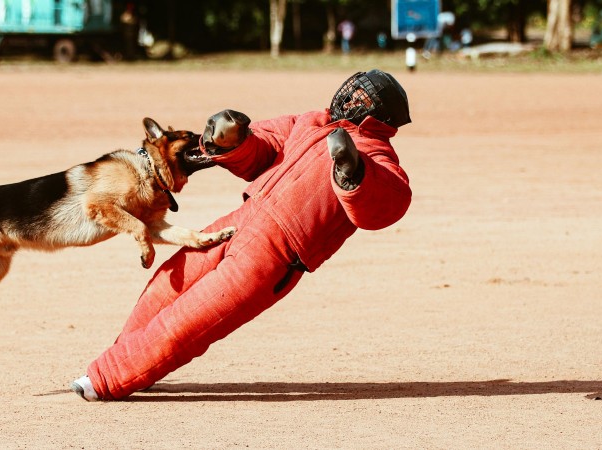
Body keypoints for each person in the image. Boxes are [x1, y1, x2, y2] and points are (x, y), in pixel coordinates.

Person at [71, 69, 413, 401]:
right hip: (240, 220)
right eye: (354, 87)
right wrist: (233, 139)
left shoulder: (378, 155)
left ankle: (105, 379)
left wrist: (354, 172)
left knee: (189, 320)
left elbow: (388, 203)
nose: (350, 96)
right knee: (165, 285)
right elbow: (265, 146)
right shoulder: (312, 121)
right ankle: (131, 364)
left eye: (363, 96)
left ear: (380, 115)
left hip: (275, 254)